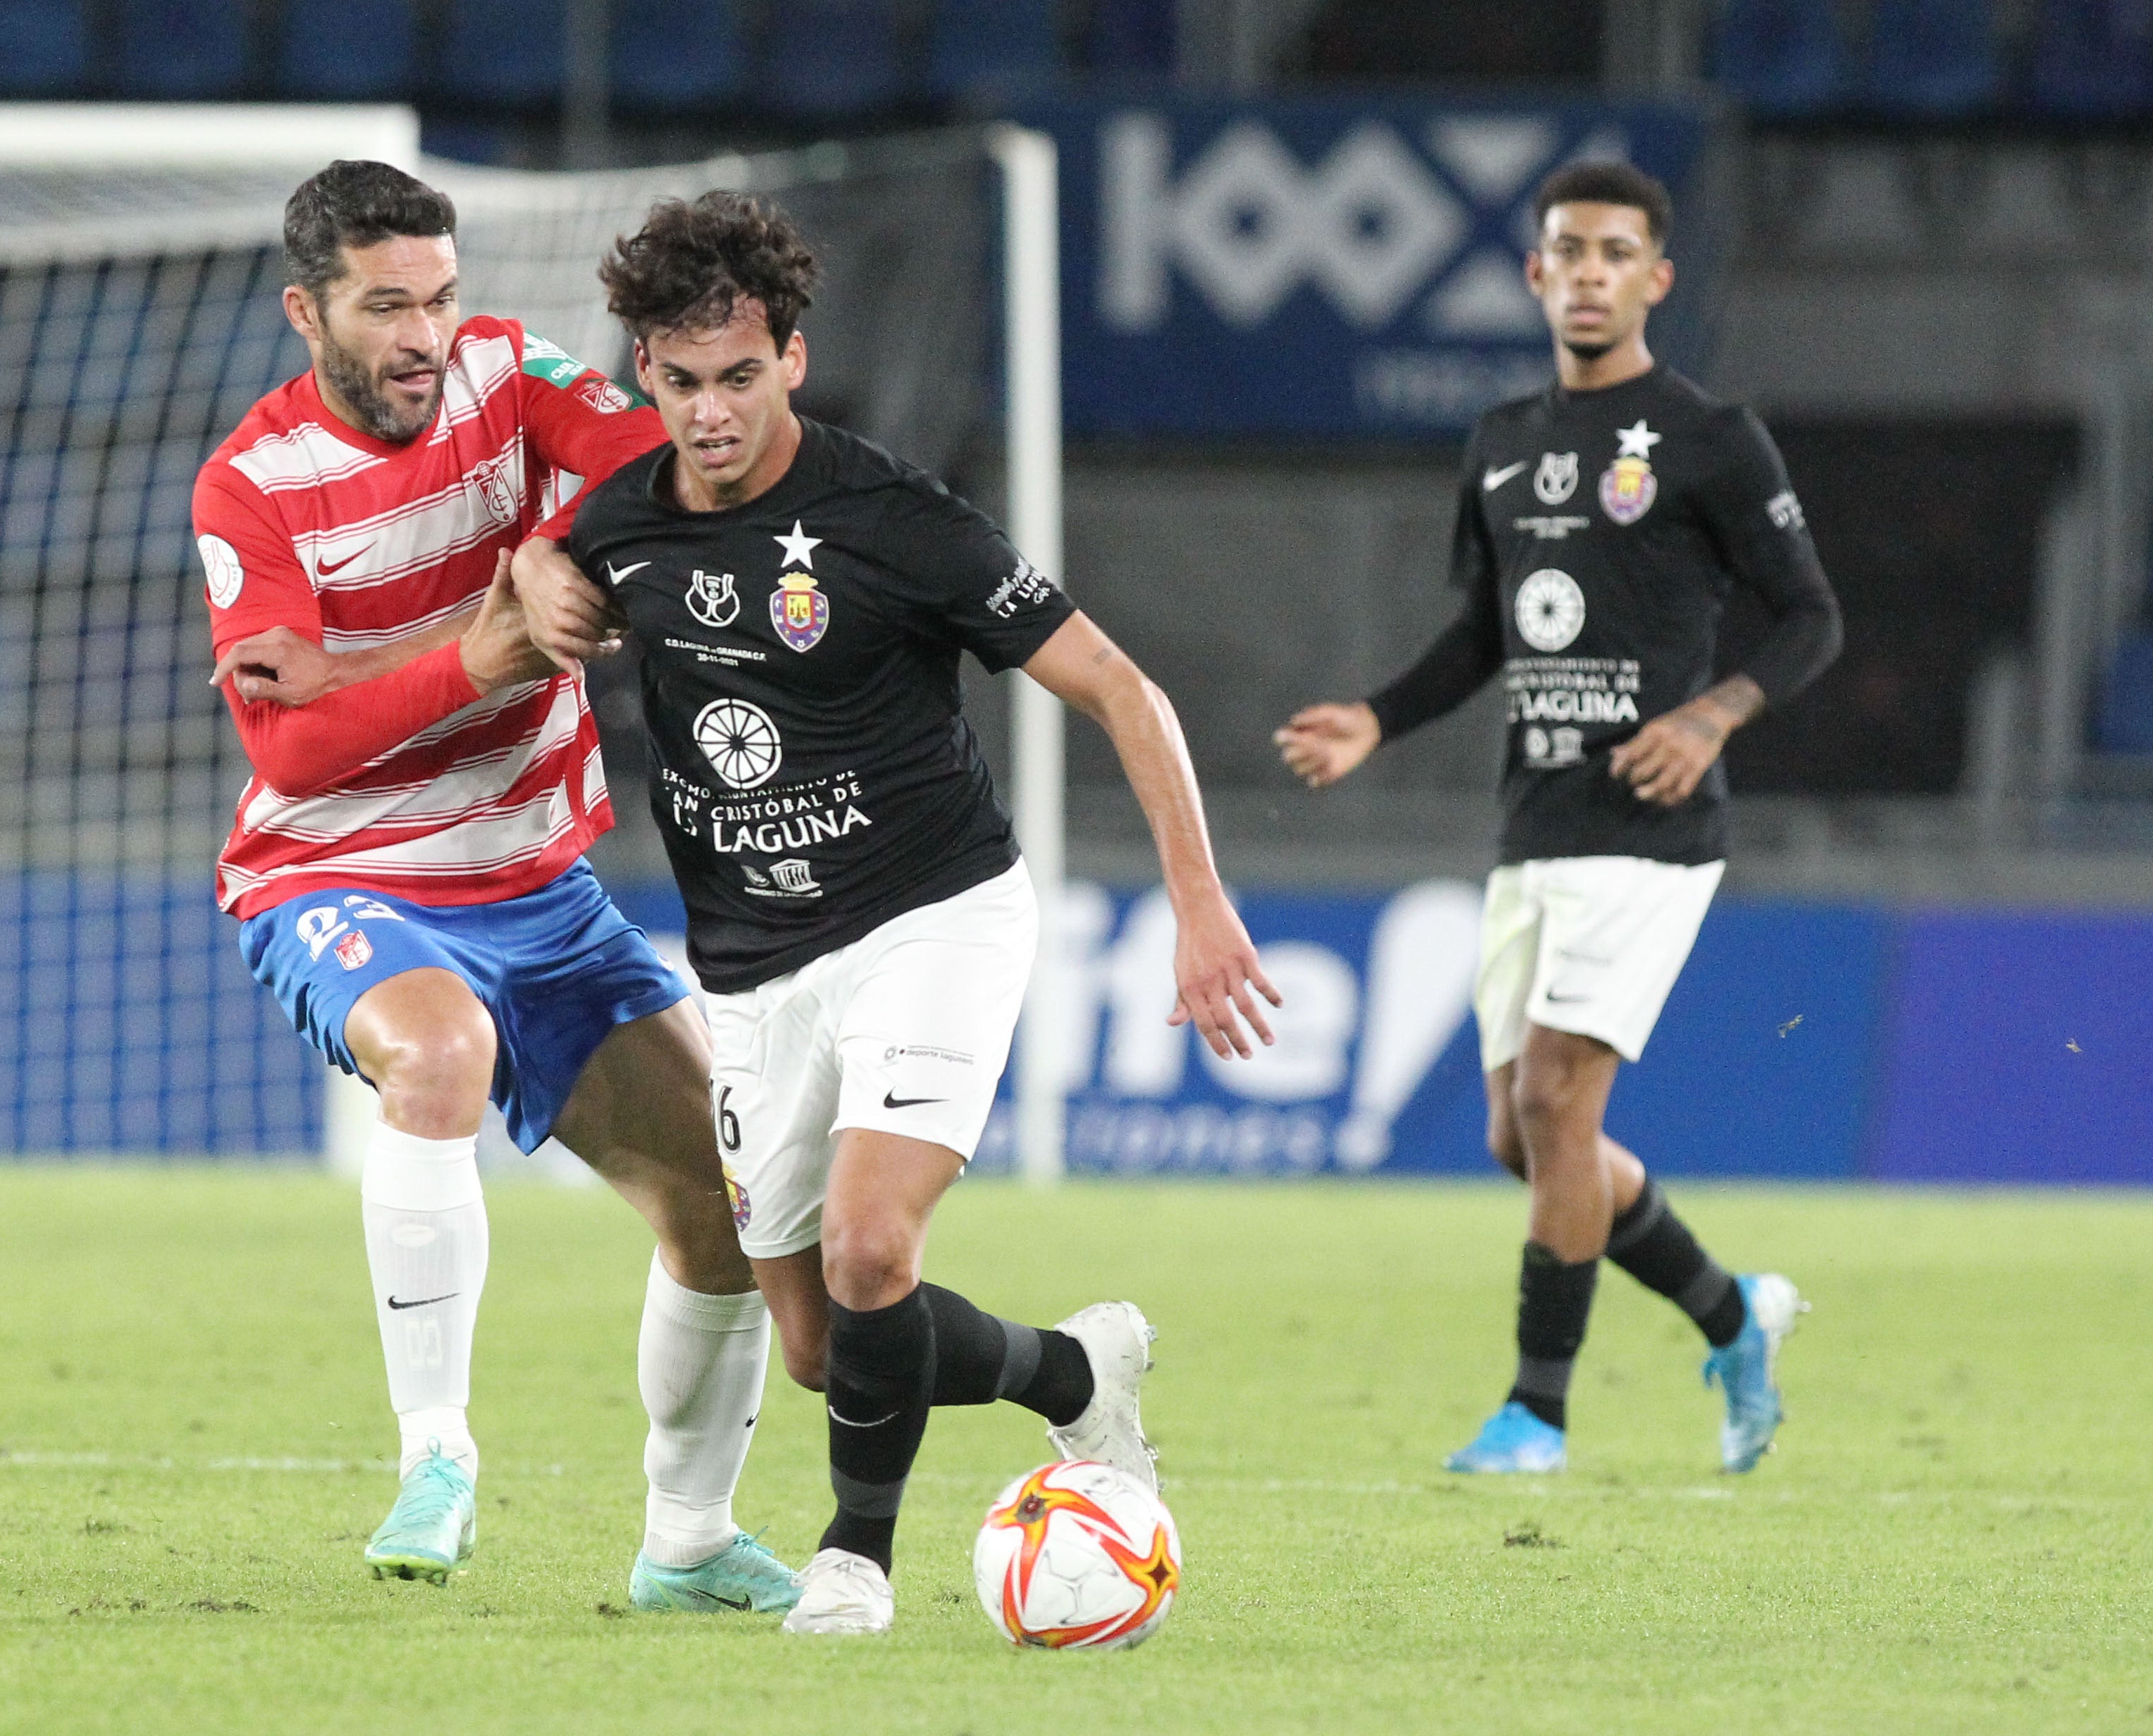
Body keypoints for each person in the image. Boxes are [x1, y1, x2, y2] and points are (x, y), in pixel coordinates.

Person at [531, 191, 1279, 1635]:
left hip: (933, 918)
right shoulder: (620, 529)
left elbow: (1125, 689)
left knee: (875, 1249)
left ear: (792, 360)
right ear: (641, 375)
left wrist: (1200, 904)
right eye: (680, 384)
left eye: (739, 377)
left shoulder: (892, 518)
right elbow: (546, 579)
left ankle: (852, 1560)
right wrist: (526, 573)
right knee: (819, 1343)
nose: (711, 414)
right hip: (750, 973)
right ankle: (1074, 1377)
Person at [197, 161, 796, 1611]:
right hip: (334, 871)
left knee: (736, 1203)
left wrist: (553, 542)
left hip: (534, 884)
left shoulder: (502, 368)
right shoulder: (251, 483)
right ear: (306, 312)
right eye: (386, 305)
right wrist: (471, 660)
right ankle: (437, 1454)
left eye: (441, 297)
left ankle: (691, 1542)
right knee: (441, 1055)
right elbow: (290, 737)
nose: (424, 334)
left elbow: (632, 461)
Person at [1275, 161, 1841, 1476]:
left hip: (1653, 829)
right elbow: (1482, 631)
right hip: (1534, 823)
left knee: (1554, 1097)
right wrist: (1376, 716)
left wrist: (1709, 718)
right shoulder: (1500, 442)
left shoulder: (1709, 438)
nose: (1587, 273)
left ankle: (1536, 1412)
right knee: (1517, 1135)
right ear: (1534, 274)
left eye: (1614, 253)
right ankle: (1730, 1311)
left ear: (1655, 278)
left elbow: (1812, 615)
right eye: (1565, 251)